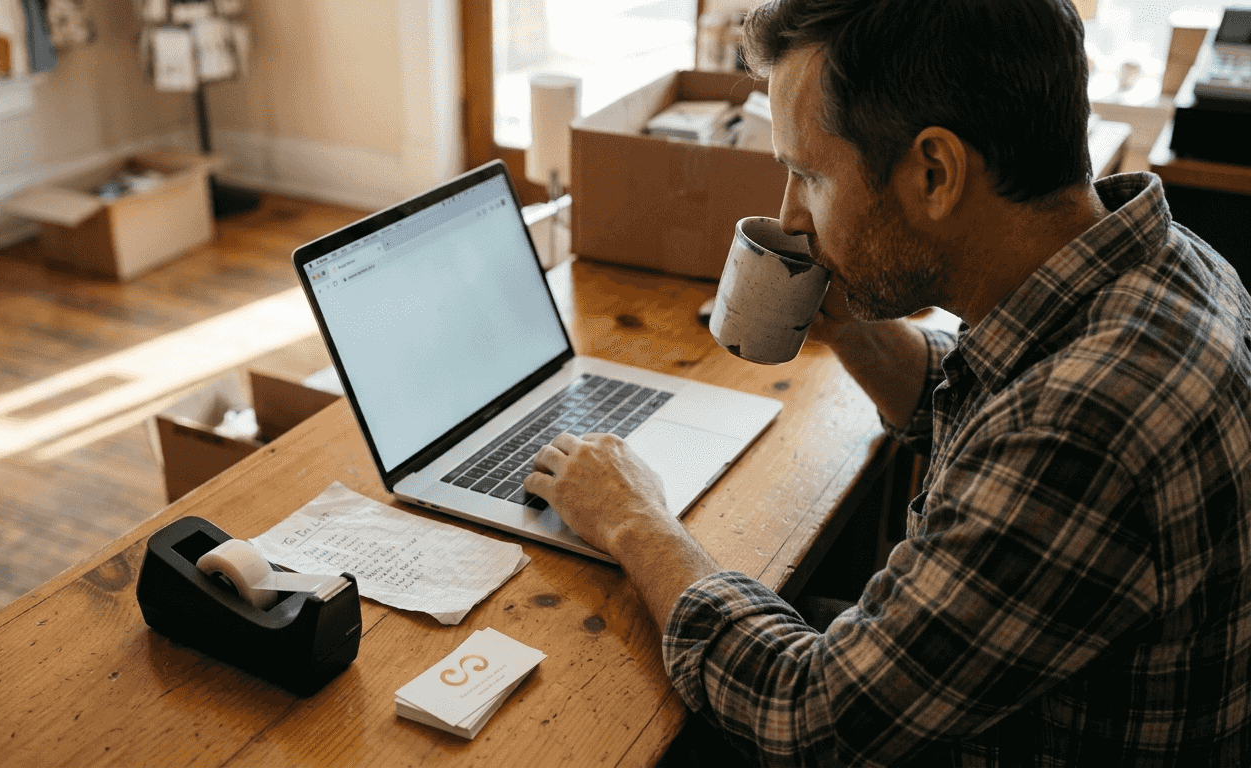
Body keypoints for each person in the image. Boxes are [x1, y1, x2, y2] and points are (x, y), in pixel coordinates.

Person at [522, 0, 1251, 764]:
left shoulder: (1086, 428)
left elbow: (809, 715)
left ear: (934, 173)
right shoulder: (1162, 264)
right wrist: (850, 322)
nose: (790, 216)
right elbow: (993, 412)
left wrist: (637, 521)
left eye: (807, 176)